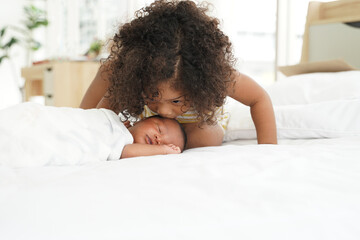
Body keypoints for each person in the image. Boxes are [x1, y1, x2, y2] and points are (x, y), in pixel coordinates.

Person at [80, 0, 277, 149]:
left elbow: (259, 98)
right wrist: (97, 129)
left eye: (176, 101)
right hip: (143, 117)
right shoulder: (126, 72)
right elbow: (94, 123)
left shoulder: (216, 75)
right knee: (108, 83)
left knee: (206, 137)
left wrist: (268, 151)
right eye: (153, 96)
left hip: (196, 123)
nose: (164, 111)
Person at [0, 103, 186, 167]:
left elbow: (126, 151)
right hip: (53, 119)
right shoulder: (113, 121)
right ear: (140, 120)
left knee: (23, 143)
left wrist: (163, 151)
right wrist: (163, 149)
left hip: (54, 139)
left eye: (162, 143)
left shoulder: (124, 143)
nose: (158, 139)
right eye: (159, 129)